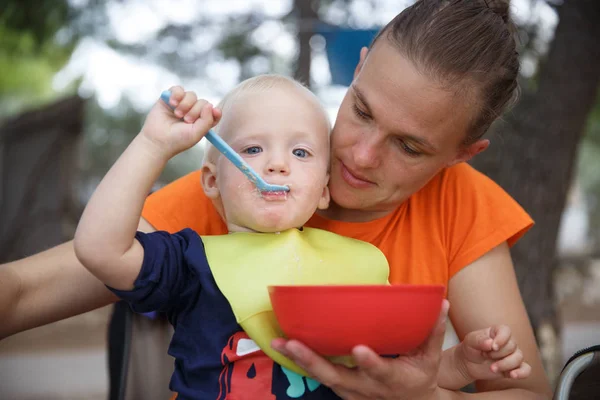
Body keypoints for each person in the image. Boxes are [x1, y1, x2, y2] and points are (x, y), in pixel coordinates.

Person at [0, 1, 553, 399]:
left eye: (408, 147)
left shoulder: (462, 205)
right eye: (360, 110)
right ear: (358, 68)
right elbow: (22, 292)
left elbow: (527, 390)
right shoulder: (238, 192)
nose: (358, 156)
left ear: (464, 153)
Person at [73, 74, 530, 399]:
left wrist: (459, 366)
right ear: (211, 182)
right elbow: (99, 249)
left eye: (300, 151)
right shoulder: (191, 261)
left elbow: (398, 375)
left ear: (326, 189)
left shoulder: (362, 264)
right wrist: (153, 144)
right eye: (252, 148)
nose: (276, 164)